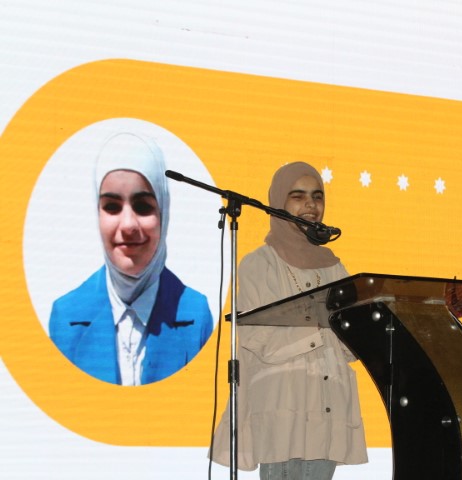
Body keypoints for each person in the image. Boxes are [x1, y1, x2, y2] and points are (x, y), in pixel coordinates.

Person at [211, 162, 368, 479]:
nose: (311, 204)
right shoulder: (259, 264)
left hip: (330, 414)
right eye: (298, 196)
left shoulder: (335, 268)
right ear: (278, 202)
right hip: (283, 417)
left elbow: (352, 345)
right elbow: (260, 339)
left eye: (317, 196)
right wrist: (323, 331)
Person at [48, 132, 214, 386]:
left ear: (164, 212)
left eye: (143, 206)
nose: (127, 225)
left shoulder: (196, 314)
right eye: (112, 207)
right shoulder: (66, 316)